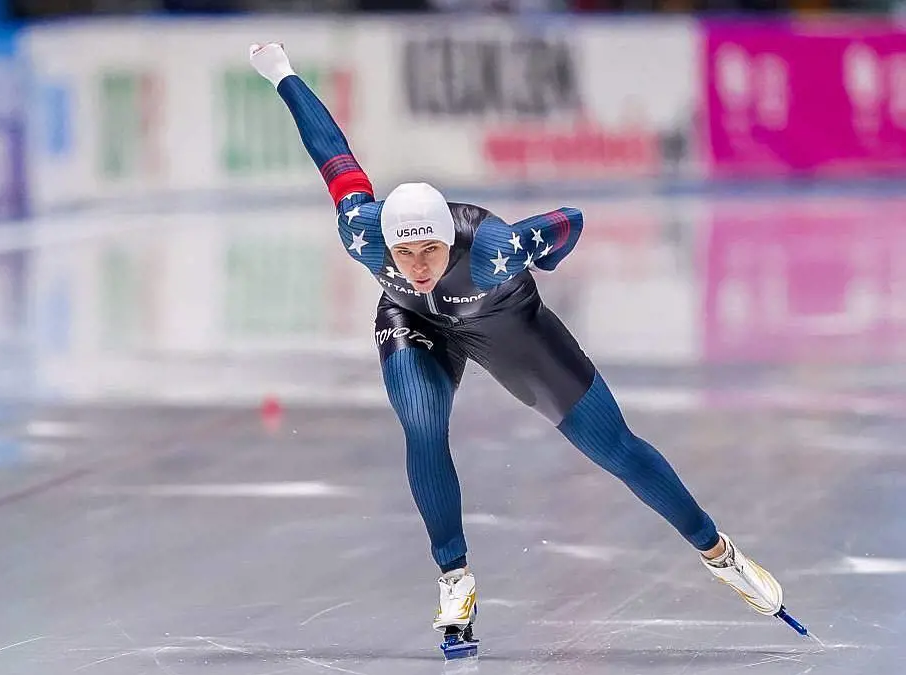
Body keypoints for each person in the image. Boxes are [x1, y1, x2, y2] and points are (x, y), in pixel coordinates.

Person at [248, 42, 786, 643]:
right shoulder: (362, 232)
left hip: (512, 330)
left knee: (614, 449)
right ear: (385, 243)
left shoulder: (492, 249)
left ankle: (717, 551)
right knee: (422, 424)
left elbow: (571, 220)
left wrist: (544, 254)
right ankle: (455, 578)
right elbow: (331, 151)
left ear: (452, 239)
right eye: (405, 253)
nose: (420, 263)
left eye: (431, 250)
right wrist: (283, 75)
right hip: (415, 323)